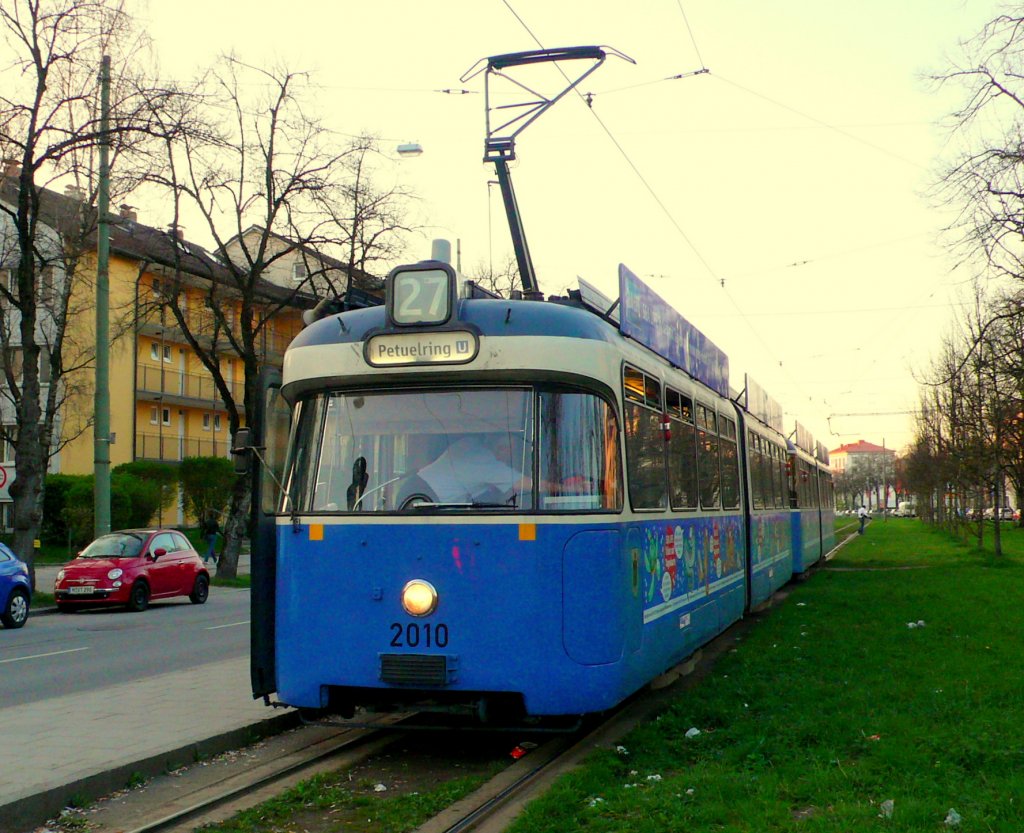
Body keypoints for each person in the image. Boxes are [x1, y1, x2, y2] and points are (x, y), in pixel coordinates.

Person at [415, 435, 528, 505]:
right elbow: (522, 484)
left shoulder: (469, 443)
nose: (510, 455)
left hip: (415, 486)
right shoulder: (485, 461)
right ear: (499, 447)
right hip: (422, 497)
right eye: (508, 449)